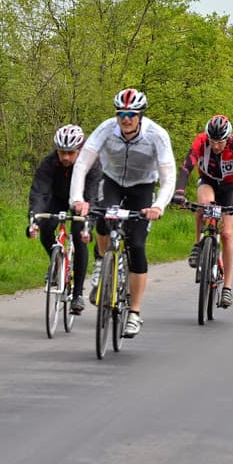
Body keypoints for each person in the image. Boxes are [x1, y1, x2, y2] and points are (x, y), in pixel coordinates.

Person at [69, 88, 175, 338]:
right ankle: (100, 262)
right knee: (104, 221)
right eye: (121, 113)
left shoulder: (157, 135)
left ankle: (135, 313)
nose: (125, 118)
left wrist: (158, 206)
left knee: (137, 245)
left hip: (143, 187)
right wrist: (77, 199)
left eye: (131, 114)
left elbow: (168, 177)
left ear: (140, 115)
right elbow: (82, 163)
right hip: (113, 180)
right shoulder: (106, 129)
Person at [172, 115, 233, 308]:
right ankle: (198, 244)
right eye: (212, 141)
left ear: (227, 138)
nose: (216, 146)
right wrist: (179, 192)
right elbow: (186, 167)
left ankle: (227, 288)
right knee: (204, 205)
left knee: (227, 234)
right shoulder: (201, 141)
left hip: (231, 187)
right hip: (208, 181)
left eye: (220, 142)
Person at [27, 124, 102, 315]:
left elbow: (93, 195)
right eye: (62, 152)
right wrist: (34, 218)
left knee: (79, 236)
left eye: (70, 153)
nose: (66, 157)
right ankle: (57, 263)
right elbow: (39, 193)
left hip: (83, 201)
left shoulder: (91, 163)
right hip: (58, 198)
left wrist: (89, 223)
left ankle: (77, 294)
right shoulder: (49, 162)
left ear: (79, 150)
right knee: (45, 227)